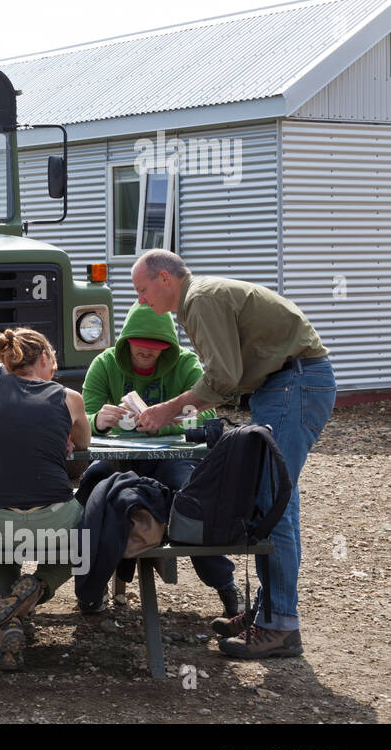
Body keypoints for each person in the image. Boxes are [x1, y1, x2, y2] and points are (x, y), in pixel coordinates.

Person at [132, 249, 334, 659]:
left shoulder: (200, 300)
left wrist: (166, 409)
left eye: (142, 289)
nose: (140, 300)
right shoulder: (197, 300)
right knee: (273, 501)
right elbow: (227, 377)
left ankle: (280, 625)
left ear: (165, 278)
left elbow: (223, 379)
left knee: (273, 502)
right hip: (285, 387)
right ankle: (269, 613)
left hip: (292, 385)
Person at [79, 300, 242, 617]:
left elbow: (206, 414)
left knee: (191, 499)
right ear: (126, 341)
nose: (146, 352)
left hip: (173, 457)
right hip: (118, 459)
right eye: (139, 345)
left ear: (168, 346)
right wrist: (98, 418)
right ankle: (90, 584)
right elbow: (79, 418)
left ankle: (224, 582)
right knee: (89, 490)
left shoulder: (185, 365)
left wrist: (164, 422)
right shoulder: (105, 363)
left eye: (155, 347)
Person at [0, 328, 91, 671]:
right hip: (52, 517)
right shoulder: (69, 397)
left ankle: (9, 623)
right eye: (52, 362)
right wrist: (60, 435)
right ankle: (39, 586)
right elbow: (82, 441)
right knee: (87, 538)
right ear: (44, 359)